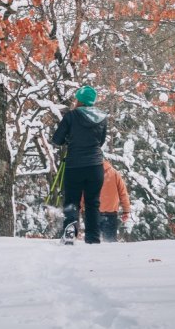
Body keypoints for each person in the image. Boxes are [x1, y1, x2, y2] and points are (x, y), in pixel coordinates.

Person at [52, 85, 107, 244]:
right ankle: (93, 238)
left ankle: (69, 233)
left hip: (74, 165)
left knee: (72, 201)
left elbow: (57, 140)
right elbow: (101, 142)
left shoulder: (71, 116)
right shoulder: (102, 118)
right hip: (95, 167)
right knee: (93, 203)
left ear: (80, 100)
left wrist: (70, 139)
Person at [98, 160, 131, 242]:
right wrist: (126, 210)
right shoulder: (115, 173)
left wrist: (80, 209)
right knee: (110, 243)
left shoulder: (90, 172)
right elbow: (123, 193)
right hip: (110, 214)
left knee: (92, 244)